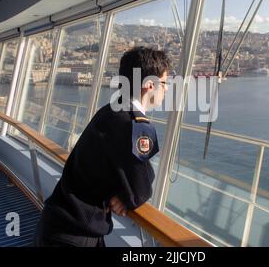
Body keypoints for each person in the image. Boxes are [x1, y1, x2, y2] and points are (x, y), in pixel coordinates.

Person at [34, 47, 171, 247]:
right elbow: (141, 187)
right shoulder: (135, 125)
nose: (166, 89)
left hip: (57, 223)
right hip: (75, 235)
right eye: (165, 83)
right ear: (150, 85)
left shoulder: (109, 111)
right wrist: (127, 196)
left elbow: (112, 166)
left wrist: (123, 192)